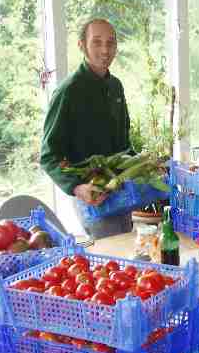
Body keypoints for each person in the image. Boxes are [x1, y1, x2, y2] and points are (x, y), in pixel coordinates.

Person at [40, 18, 132, 239]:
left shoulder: (115, 86)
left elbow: (124, 145)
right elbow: (48, 156)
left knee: (128, 252)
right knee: (112, 258)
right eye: (97, 42)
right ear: (82, 45)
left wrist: (143, 165)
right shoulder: (69, 91)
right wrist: (77, 187)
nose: (105, 50)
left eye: (111, 43)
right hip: (92, 196)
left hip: (120, 193)